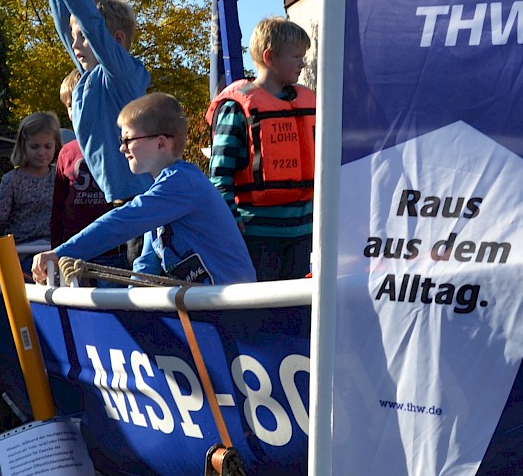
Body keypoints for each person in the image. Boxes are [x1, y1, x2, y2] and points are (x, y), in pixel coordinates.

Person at [32, 93, 255, 288]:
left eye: (128, 139)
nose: (122, 147)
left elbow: (124, 221)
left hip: (232, 309)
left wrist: (60, 253)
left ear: (160, 144)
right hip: (206, 306)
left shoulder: (182, 182)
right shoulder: (159, 192)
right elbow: (146, 263)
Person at [20, 0, 149, 205]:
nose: (75, 45)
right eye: (75, 38)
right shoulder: (90, 77)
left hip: (139, 196)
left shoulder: (121, 75)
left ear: (115, 41)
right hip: (117, 198)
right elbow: (67, 27)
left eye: (85, 39)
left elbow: (89, 20)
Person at [207, 16, 316, 281]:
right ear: (270, 57)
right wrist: (231, 222)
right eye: (296, 56)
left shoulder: (309, 102)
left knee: (297, 310)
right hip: (258, 234)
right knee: (265, 310)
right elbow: (219, 175)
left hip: (305, 232)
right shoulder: (237, 108)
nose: (303, 63)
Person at [0, 111, 60, 262]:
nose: (42, 152)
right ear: (23, 146)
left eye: (48, 146)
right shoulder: (12, 180)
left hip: (54, 249)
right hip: (22, 251)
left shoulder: (61, 177)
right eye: (35, 147)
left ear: (56, 144)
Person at [50, 72, 109, 245]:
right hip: (74, 246)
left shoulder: (119, 147)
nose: (76, 110)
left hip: (112, 248)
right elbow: (58, 207)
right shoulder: (66, 152)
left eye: (83, 103)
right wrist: (56, 249)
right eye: (70, 105)